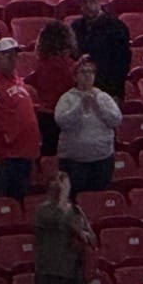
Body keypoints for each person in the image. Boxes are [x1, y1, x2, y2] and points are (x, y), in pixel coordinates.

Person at [0, 38, 41, 198]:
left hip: (24, 154)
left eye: (14, 56)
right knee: (5, 201)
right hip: (5, 156)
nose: (12, 59)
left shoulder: (18, 82)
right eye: (7, 55)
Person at [52, 57, 122, 193]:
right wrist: (80, 106)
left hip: (101, 158)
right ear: (75, 76)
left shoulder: (104, 97)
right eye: (83, 72)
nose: (87, 75)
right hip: (74, 160)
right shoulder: (67, 98)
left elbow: (116, 120)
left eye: (90, 72)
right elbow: (62, 121)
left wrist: (99, 107)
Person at [32, 172, 94, 284]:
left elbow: (92, 238)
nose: (61, 188)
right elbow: (55, 220)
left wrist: (80, 233)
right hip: (51, 272)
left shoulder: (75, 210)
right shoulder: (42, 210)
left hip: (74, 272)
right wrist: (63, 199)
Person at [27, 20, 78, 167]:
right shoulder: (67, 65)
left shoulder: (41, 64)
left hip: (45, 116)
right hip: (62, 116)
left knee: (47, 158)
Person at [70, 0, 133, 102]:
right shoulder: (75, 27)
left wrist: (115, 92)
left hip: (109, 89)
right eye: (84, 2)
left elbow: (122, 63)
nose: (89, 6)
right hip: (82, 90)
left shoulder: (116, 27)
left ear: (99, 2)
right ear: (80, 5)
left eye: (92, 1)